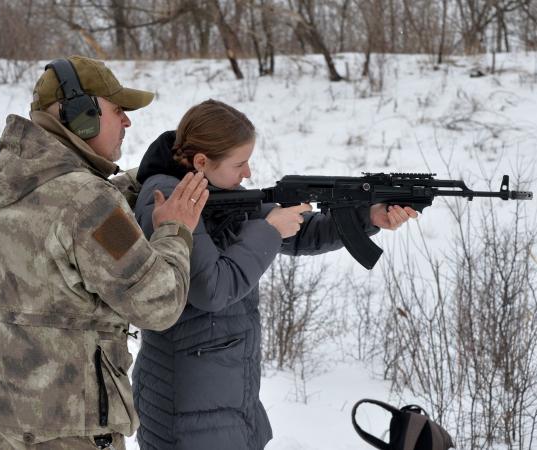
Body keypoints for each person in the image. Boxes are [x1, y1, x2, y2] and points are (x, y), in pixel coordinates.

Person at [130, 99, 417, 450]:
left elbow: (299, 231)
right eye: (240, 163)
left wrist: (367, 217)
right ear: (202, 161)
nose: (248, 173)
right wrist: (268, 231)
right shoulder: (169, 200)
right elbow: (213, 288)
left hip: (223, 395)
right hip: (188, 404)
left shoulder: (214, 189)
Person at [0, 55, 210, 450]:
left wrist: (140, 179)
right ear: (81, 116)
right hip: (70, 430)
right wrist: (175, 229)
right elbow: (159, 303)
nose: (127, 122)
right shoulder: (89, 203)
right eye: (118, 111)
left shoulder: (8, 179)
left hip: (5, 421)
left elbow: (69, 223)